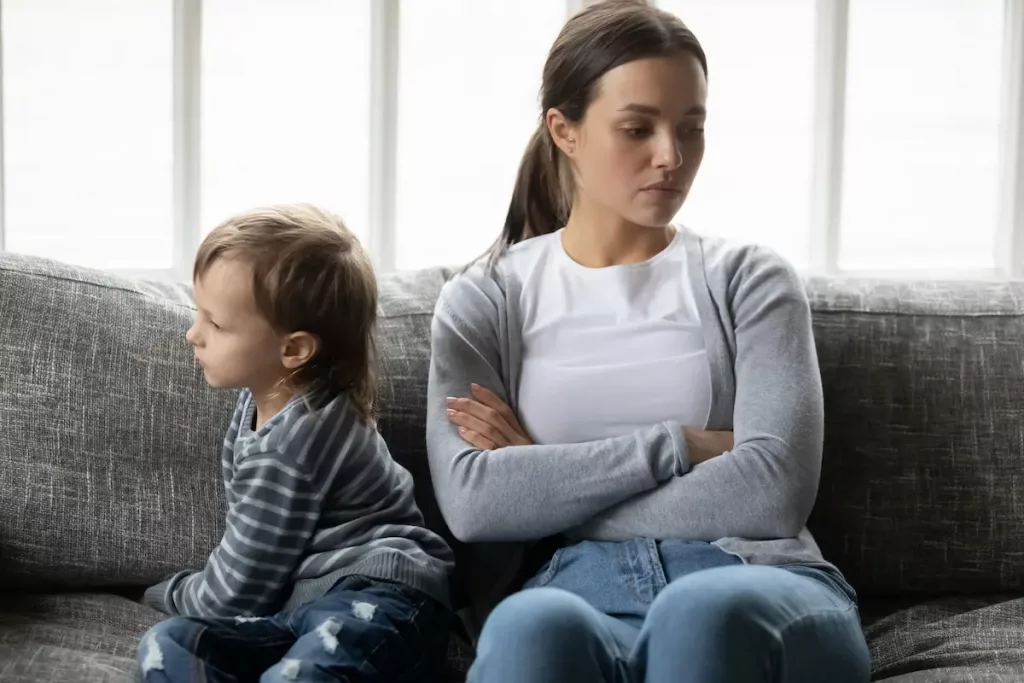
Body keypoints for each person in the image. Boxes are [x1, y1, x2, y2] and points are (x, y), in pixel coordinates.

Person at [425, 1, 871, 681]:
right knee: (525, 625)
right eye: (638, 128)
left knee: (699, 612)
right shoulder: (484, 298)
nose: (672, 156)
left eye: (691, 128)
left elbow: (772, 492)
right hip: (578, 588)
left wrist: (551, 480)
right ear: (564, 130)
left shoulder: (751, 279)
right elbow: (477, 503)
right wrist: (684, 444)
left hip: (753, 580)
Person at [137, 204, 455, 683]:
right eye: (198, 314)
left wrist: (163, 592)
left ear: (294, 349)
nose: (193, 334)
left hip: (384, 598)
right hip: (303, 608)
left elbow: (234, 593)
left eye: (216, 324)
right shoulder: (264, 403)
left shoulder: (294, 443)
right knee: (171, 643)